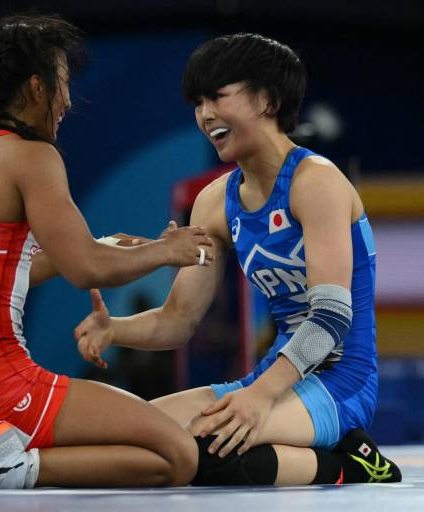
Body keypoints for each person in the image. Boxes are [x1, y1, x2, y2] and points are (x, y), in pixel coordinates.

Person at [0, 16, 215, 490]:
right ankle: (8, 468)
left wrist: (110, 247)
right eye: (63, 83)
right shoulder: (30, 156)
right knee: (176, 454)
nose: (68, 101)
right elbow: (86, 267)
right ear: (35, 87)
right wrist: (166, 252)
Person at [74, 33, 403, 486]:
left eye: (217, 97)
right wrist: (116, 329)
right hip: (274, 377)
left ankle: (354, 463)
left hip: (341, 381)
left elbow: (331, 316)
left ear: (267, 99)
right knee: (138, 439)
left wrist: (258, 398)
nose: (205, 115)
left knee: (202, 452)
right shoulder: (213, 202)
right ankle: (302, 443)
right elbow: (178, 321)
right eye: (198, 103)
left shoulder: (317, 182)